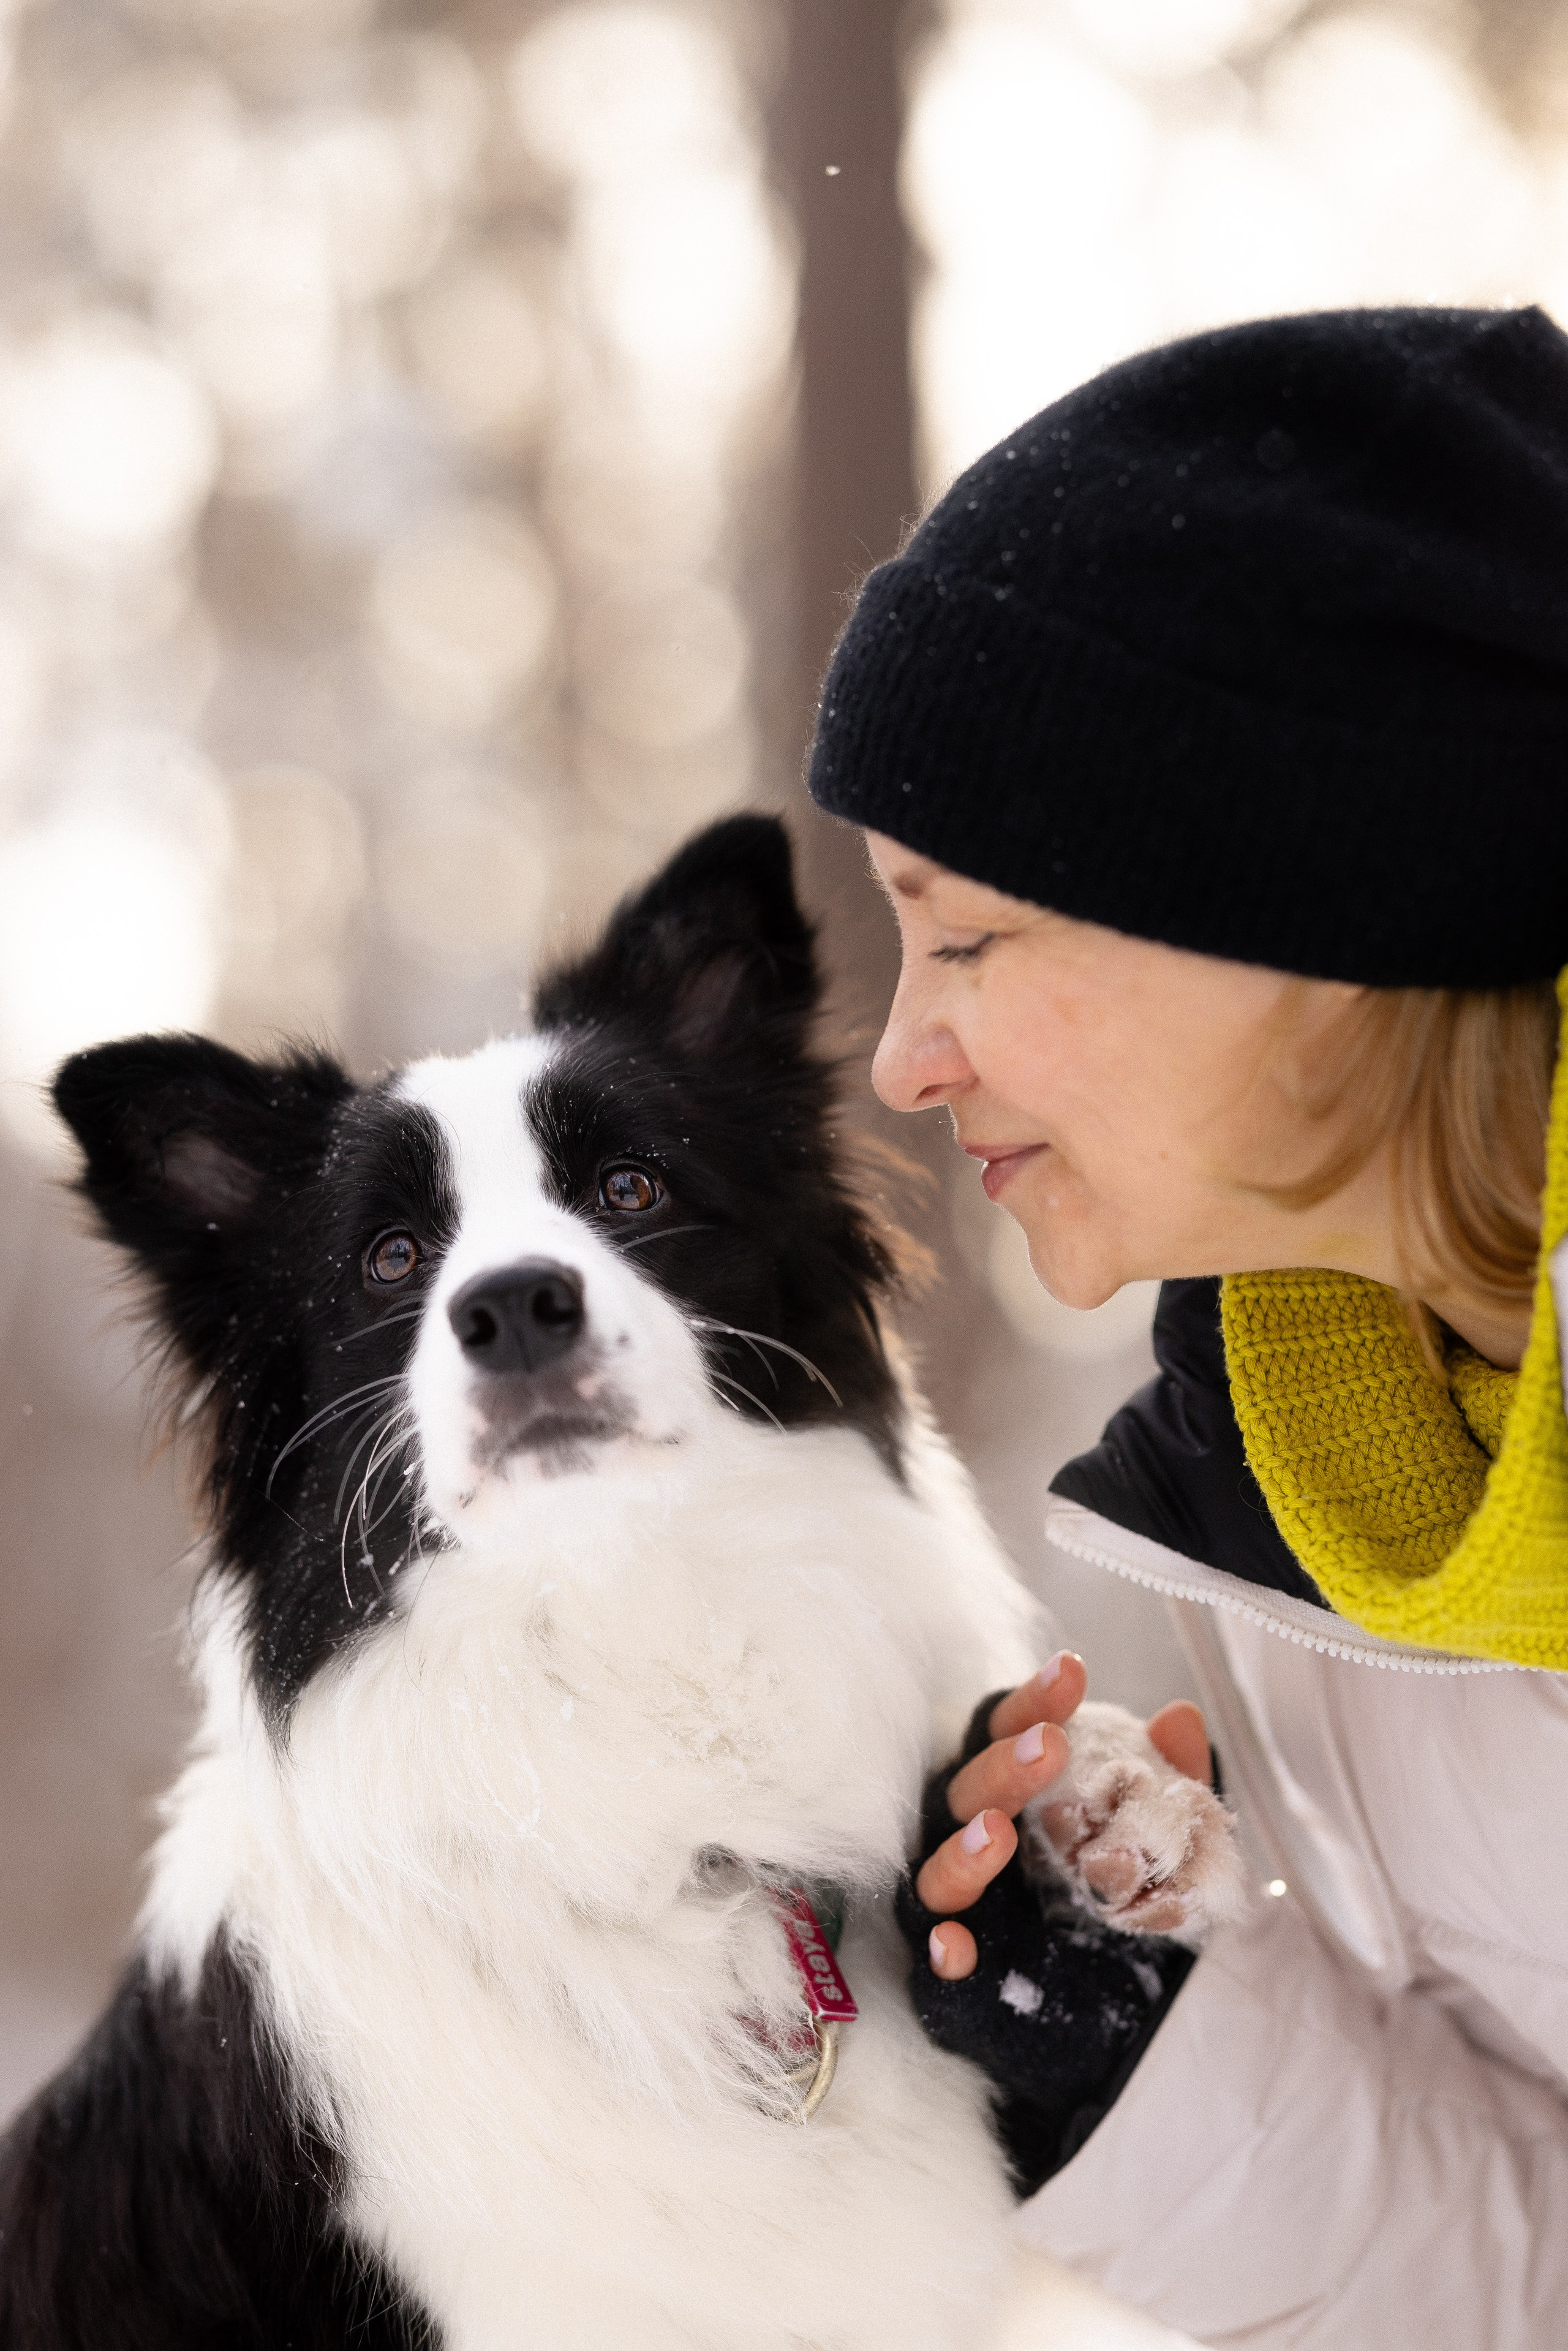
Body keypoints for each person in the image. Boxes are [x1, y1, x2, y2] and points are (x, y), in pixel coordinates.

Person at [807, 305, 1568, 2349]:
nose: (901, 1058)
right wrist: (1144, 2051)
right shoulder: (1334, 1468)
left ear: (1320, 918)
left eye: (966, 932)